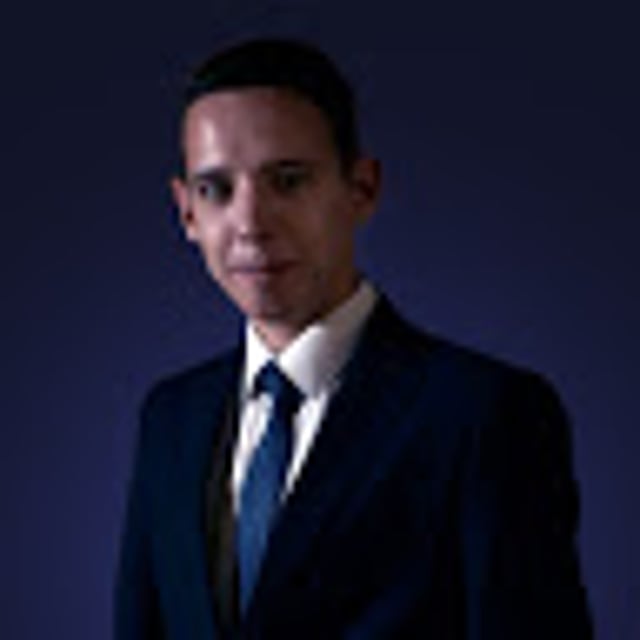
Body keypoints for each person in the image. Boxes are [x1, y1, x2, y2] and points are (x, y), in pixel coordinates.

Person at [114, 38, 593, 639]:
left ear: (361, 188)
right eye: (216, 189)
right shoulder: (170, 419)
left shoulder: (483, 415)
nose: (251, 224)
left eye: (288, 181)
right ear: (187, 212)